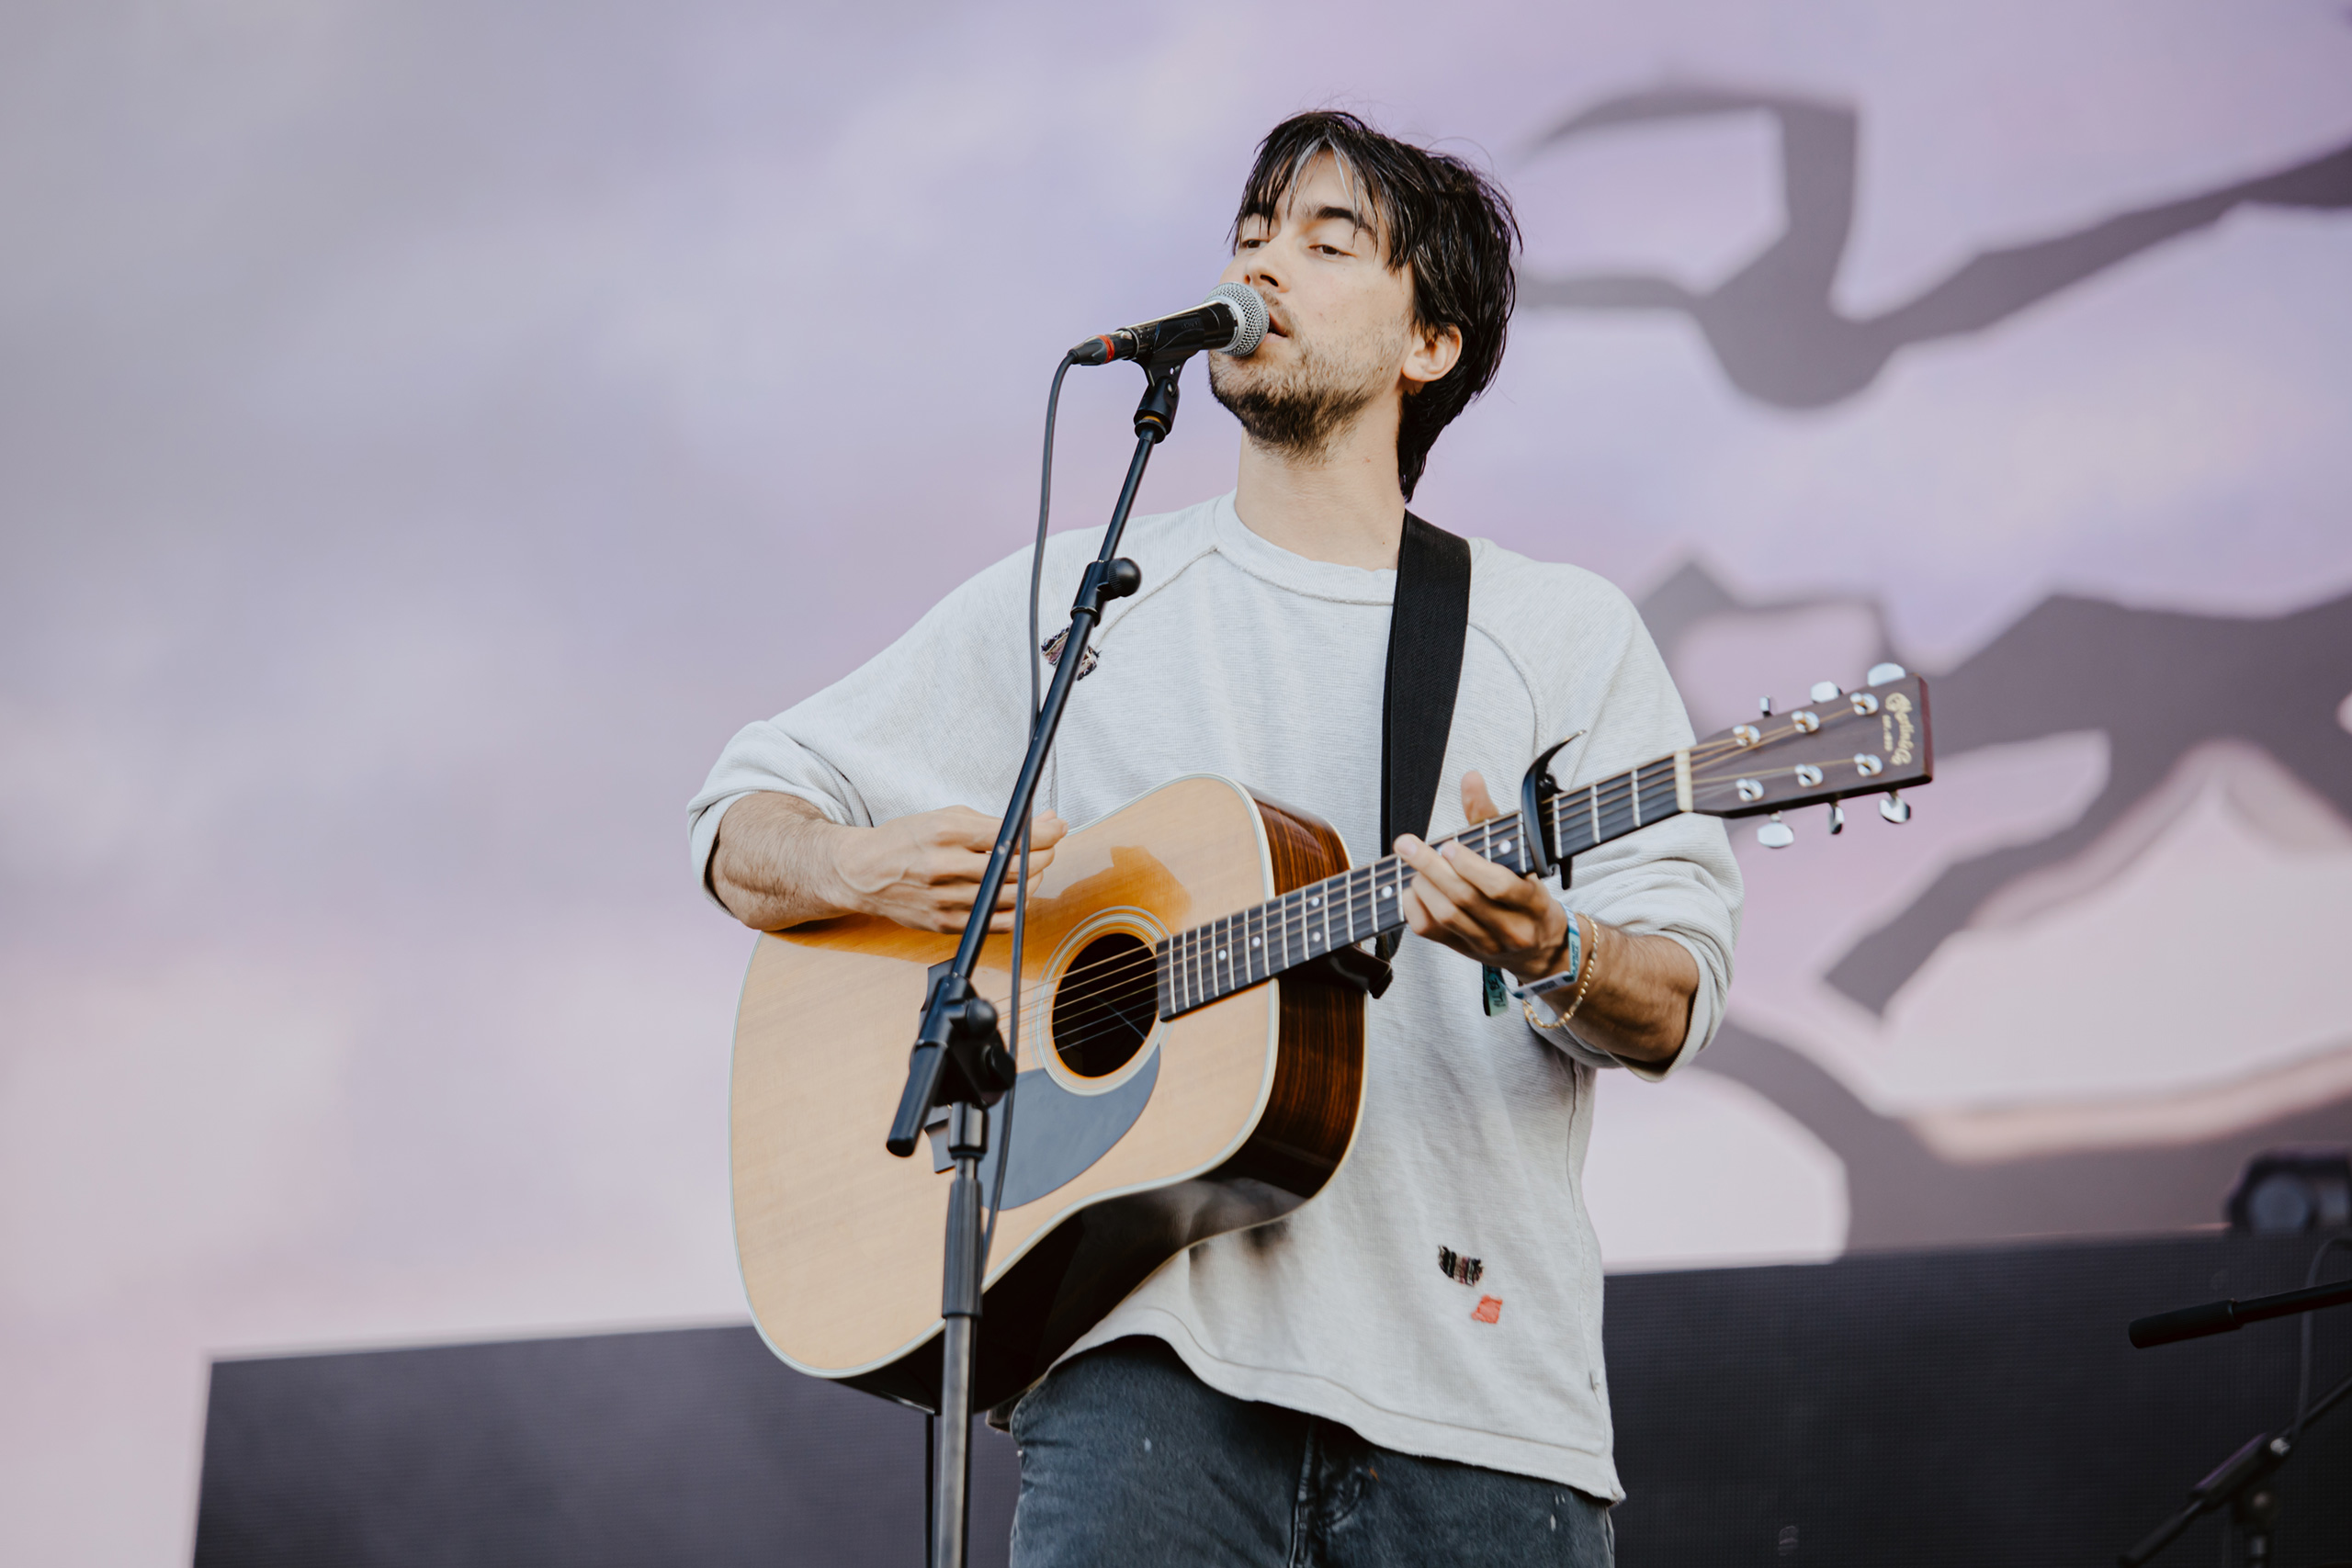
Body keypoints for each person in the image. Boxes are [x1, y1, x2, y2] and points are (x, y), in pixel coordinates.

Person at [690, 110, 1741, 1567]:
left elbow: (1676, 990)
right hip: (1142, 1387)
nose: (1265, 261)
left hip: (1479, 1404)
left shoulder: (1551, 632)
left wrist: (1552, 945)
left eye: (1328, 240)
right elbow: (744, 817)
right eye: (1253, 232)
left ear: (1429, 343)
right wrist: (860, 867)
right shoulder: (1088, 593)